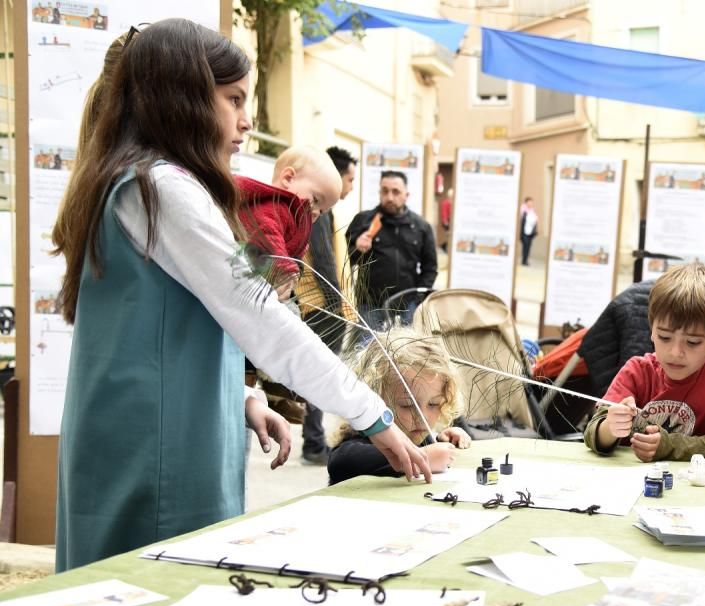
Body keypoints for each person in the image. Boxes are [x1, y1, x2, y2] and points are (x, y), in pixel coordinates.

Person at [50, 19, 431, 572]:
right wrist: (374, 415)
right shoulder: (160, 188)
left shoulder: (144, 183)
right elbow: (260, 316)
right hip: (154, 453)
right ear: (180, 99)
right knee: (148, 602)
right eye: (232, 99)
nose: (247, 120)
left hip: (151, 438)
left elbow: (173, 330)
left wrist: (240, 399)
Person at [583, 263, 705, 461]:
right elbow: (593, 431)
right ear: (652, 330)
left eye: (692, 342)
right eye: (665, 337)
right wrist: (609, 428)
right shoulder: (637, 371)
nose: (675, 352)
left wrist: (671, 446)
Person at [327, 327, 472, 484]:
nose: (422, 416)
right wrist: (422, 457)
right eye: (407, 405)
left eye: (434, 404)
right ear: (374, 399)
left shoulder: (418, 435)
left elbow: (426, 450)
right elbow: (341, 461)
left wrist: (442, 441)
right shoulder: (359, 440)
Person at [296, 145, 357, 465]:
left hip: (322, 305)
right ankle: (314, 443)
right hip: (322, 307)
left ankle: (314, 440)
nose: (351, 186)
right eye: (350, 179)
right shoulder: (320, 210)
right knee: (319, 375)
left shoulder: (323, 208)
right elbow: (322, 260)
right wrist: (337, 305)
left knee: (317, 373)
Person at [235, 145, 341, 301]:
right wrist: (286, 268)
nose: (317, 212)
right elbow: (267, 234)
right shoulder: (272, 207)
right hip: (247, 280)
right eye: (316, 200)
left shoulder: (293, 217)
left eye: (323, 211)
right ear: (288, 178)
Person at [346, 170, 437, 331]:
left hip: (407, 306)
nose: (389, 197)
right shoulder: (364, 221)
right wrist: (357, 248)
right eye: (385, 191)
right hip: (370, 306)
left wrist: (417, 300)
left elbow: (430, 268)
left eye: (396, 192)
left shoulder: (421, 227)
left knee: (403, 354)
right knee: (368, 353)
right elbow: (347, 261)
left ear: (406, 195)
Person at [519, 197, 538, 266]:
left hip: (531, 232)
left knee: (528, 247)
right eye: (529, 202)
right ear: (526, 202)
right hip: (524, 232)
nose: (531, 203)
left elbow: (534, 220)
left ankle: (526, 260)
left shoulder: (532, 210)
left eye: (531, 202)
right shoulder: (523, 210)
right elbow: (523, 220)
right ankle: (524, 260)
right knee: (525, 246)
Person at [437, 187, 453, 252]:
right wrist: (445, 222)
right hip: (447, 222)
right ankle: (444, 247)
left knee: (450, 236)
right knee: (449, 236)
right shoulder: (446, 203)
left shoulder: (452, 202)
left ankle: (445, 247)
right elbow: (444, 213)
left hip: (451, 222)